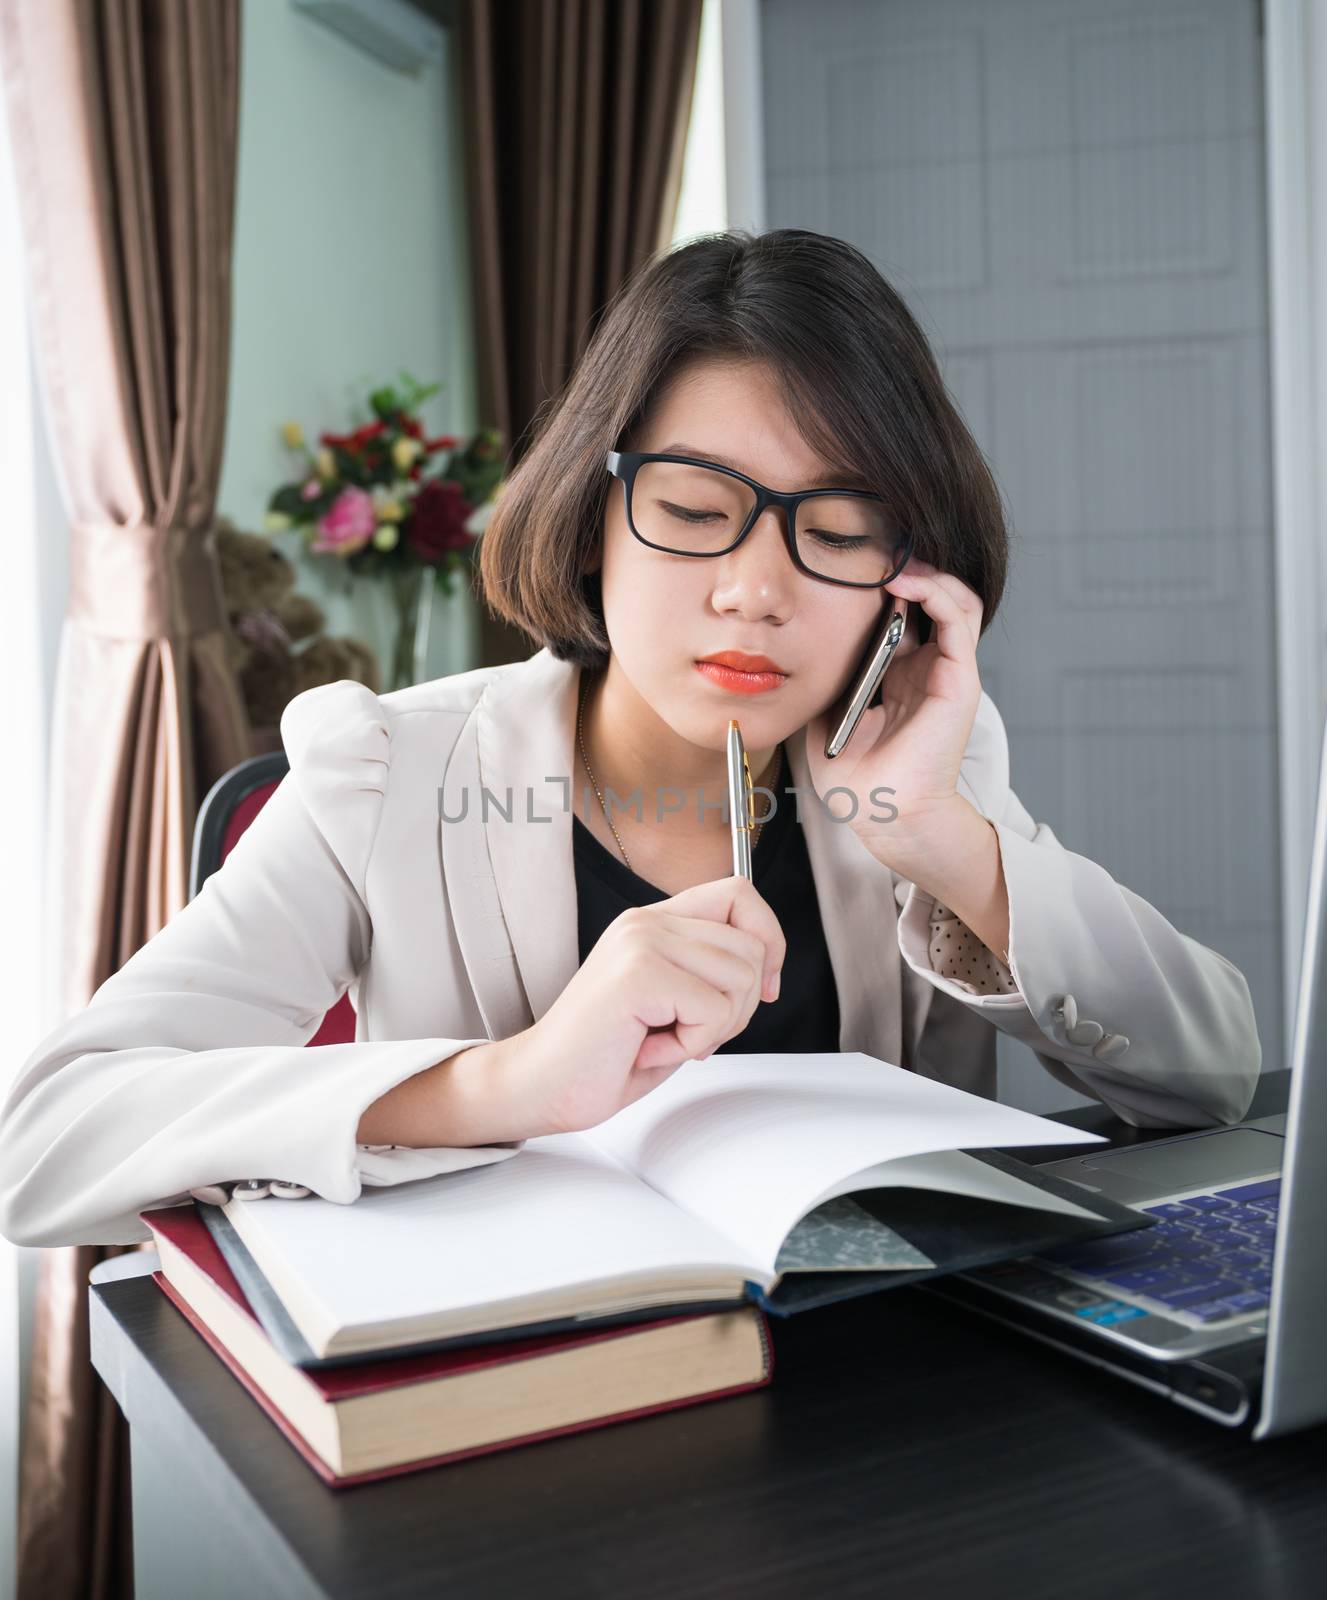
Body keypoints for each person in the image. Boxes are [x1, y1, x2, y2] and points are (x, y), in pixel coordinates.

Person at [0, 229, 1262, 1249]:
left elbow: (1207, 1077)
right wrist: (507, 1081)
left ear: (906, 576)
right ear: (591, 520)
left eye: (835, 530)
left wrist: (942, 841)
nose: (753, 592)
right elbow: (47, 1142)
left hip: (884, 1425)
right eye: (696, 509)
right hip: (523, 1430)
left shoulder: (914, 764)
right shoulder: (387, 774)